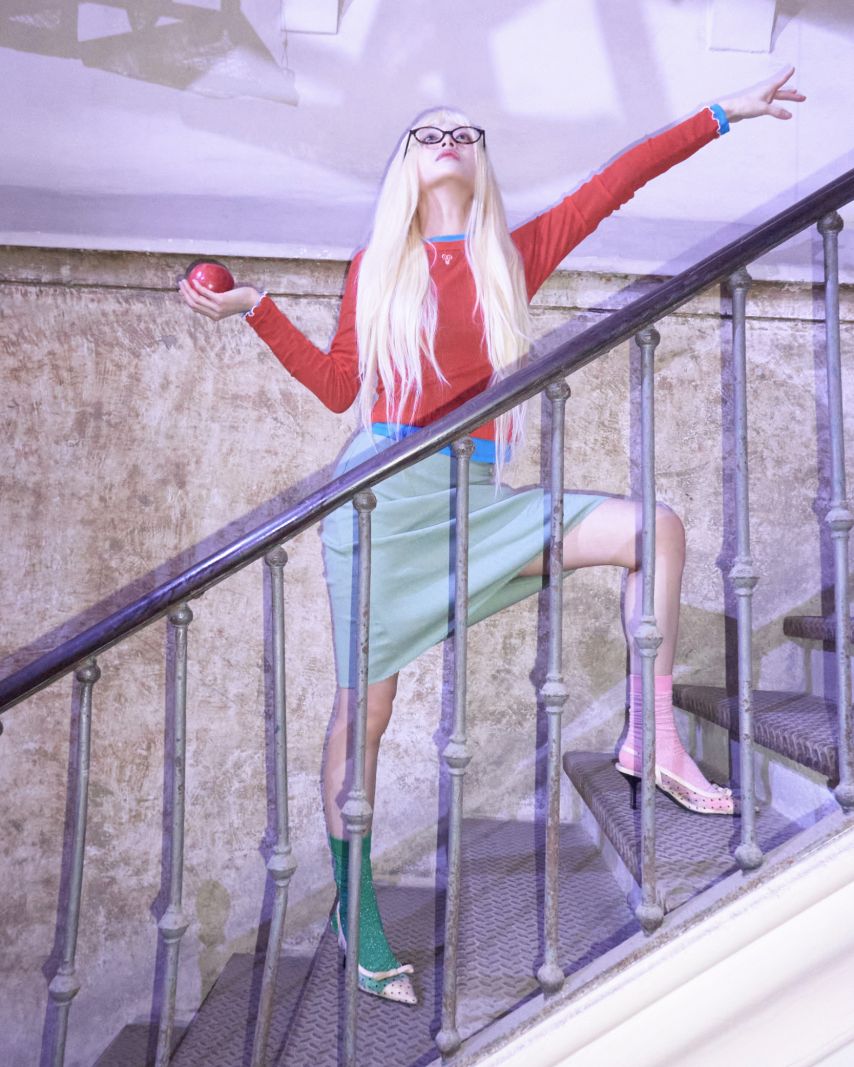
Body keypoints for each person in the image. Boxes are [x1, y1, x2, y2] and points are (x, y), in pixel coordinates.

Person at [179, 67, 805, 1005]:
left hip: (476, 498)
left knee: (656, 529)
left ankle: (653, 733)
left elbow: (618, 179)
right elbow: (337, 388)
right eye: (430, 133)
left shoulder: (513, 258)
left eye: (465, 132)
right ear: (407, 163)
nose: (450, 140)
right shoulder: (375, 267)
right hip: (382, 503)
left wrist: (725, 114)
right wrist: (258, 306)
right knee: (364, 715)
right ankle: (356, 905)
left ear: (481, 162)